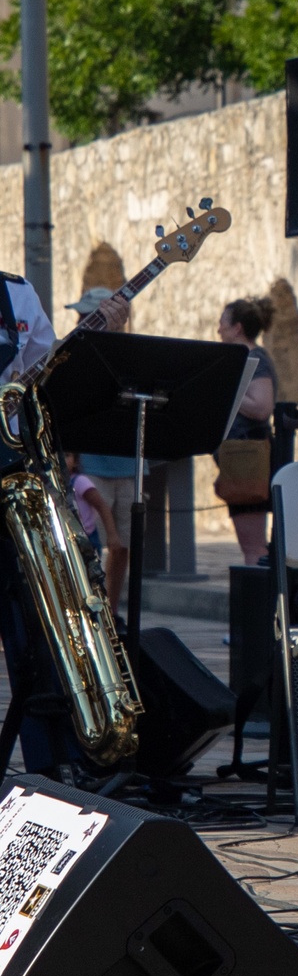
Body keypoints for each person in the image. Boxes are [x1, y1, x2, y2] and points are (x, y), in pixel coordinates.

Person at [0, 270, 128, 773]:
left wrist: (97, 343)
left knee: (38, 627)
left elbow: (47, 380)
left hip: (14, 476)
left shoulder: (15, 293)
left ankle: (49, 769)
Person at [67, 287, 139, 612]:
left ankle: (111, 607)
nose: (81, 321)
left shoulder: (132, 354)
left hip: (127, 463)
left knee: (123, 544)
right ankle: (91, 604)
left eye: (88, 316)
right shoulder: (75, 353)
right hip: (91, 463)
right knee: (91, 539)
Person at [216, 297, 277, 565]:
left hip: (247, 458)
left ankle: (255, 604)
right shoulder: (245, 359)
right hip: (239, 457)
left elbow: (262, 407)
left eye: (222, 323)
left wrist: (227, 388)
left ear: (237, 327)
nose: (218, 329)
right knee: (249, 544)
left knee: (253, 546)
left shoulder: (255, 360)